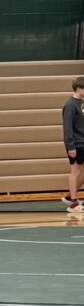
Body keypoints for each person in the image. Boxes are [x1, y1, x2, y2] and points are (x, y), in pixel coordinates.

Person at [62, 76, 84, 213]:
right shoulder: (70, 105)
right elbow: (68, 127)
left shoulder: (81, 103)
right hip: (76, 143)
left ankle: (71, 195)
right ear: (79, 89)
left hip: (83, 141)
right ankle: (73, 203)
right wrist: (70, 146)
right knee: (75, 171)